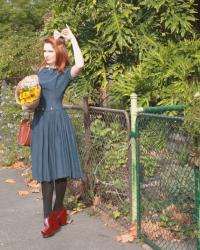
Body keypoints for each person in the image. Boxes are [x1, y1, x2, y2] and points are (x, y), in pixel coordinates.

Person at [31, 25, 84, 238]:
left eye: (50, 51)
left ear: (58, 53)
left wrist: (72, 39)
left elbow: (80, 63)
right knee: (45, 172)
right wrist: (27, 104)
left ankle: (58, 210)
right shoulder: (39, 73)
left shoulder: (64, 73)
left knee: (60, 170)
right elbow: (34, 100)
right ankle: (48, 217)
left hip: (58, 122)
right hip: (41, 123)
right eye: (44, 51)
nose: (46, 55)